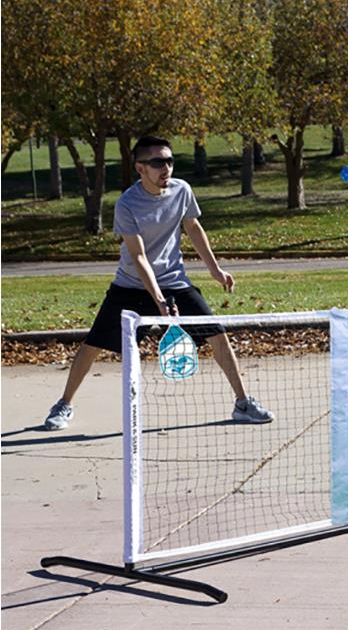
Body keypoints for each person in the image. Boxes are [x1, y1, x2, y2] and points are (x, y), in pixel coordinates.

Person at [44, 136, 273, 430]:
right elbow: (139, 258)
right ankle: (64, 404)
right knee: (94, 345)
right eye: (157, 163)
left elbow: (193, 227)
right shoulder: (127, 204)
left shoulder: (182, 190)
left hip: (174, 282)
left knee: (217, 334)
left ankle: (242, 403)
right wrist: (159, 302)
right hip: (130, 285)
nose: (165, 168)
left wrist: (215, 270)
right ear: (140, 168)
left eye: (169, 161)